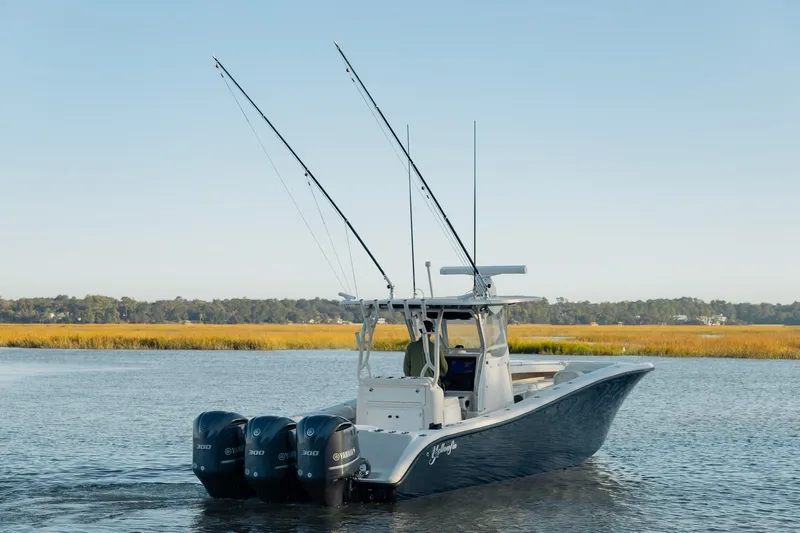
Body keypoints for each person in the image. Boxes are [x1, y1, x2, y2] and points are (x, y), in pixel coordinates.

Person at [403, 319, 448, 385]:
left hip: (415, 385)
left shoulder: (411, 347)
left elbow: (406, 369)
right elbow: (444, 369)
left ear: (420, 330)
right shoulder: (436, 348)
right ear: (431, 331)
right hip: (432, 385)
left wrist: (412, 380)